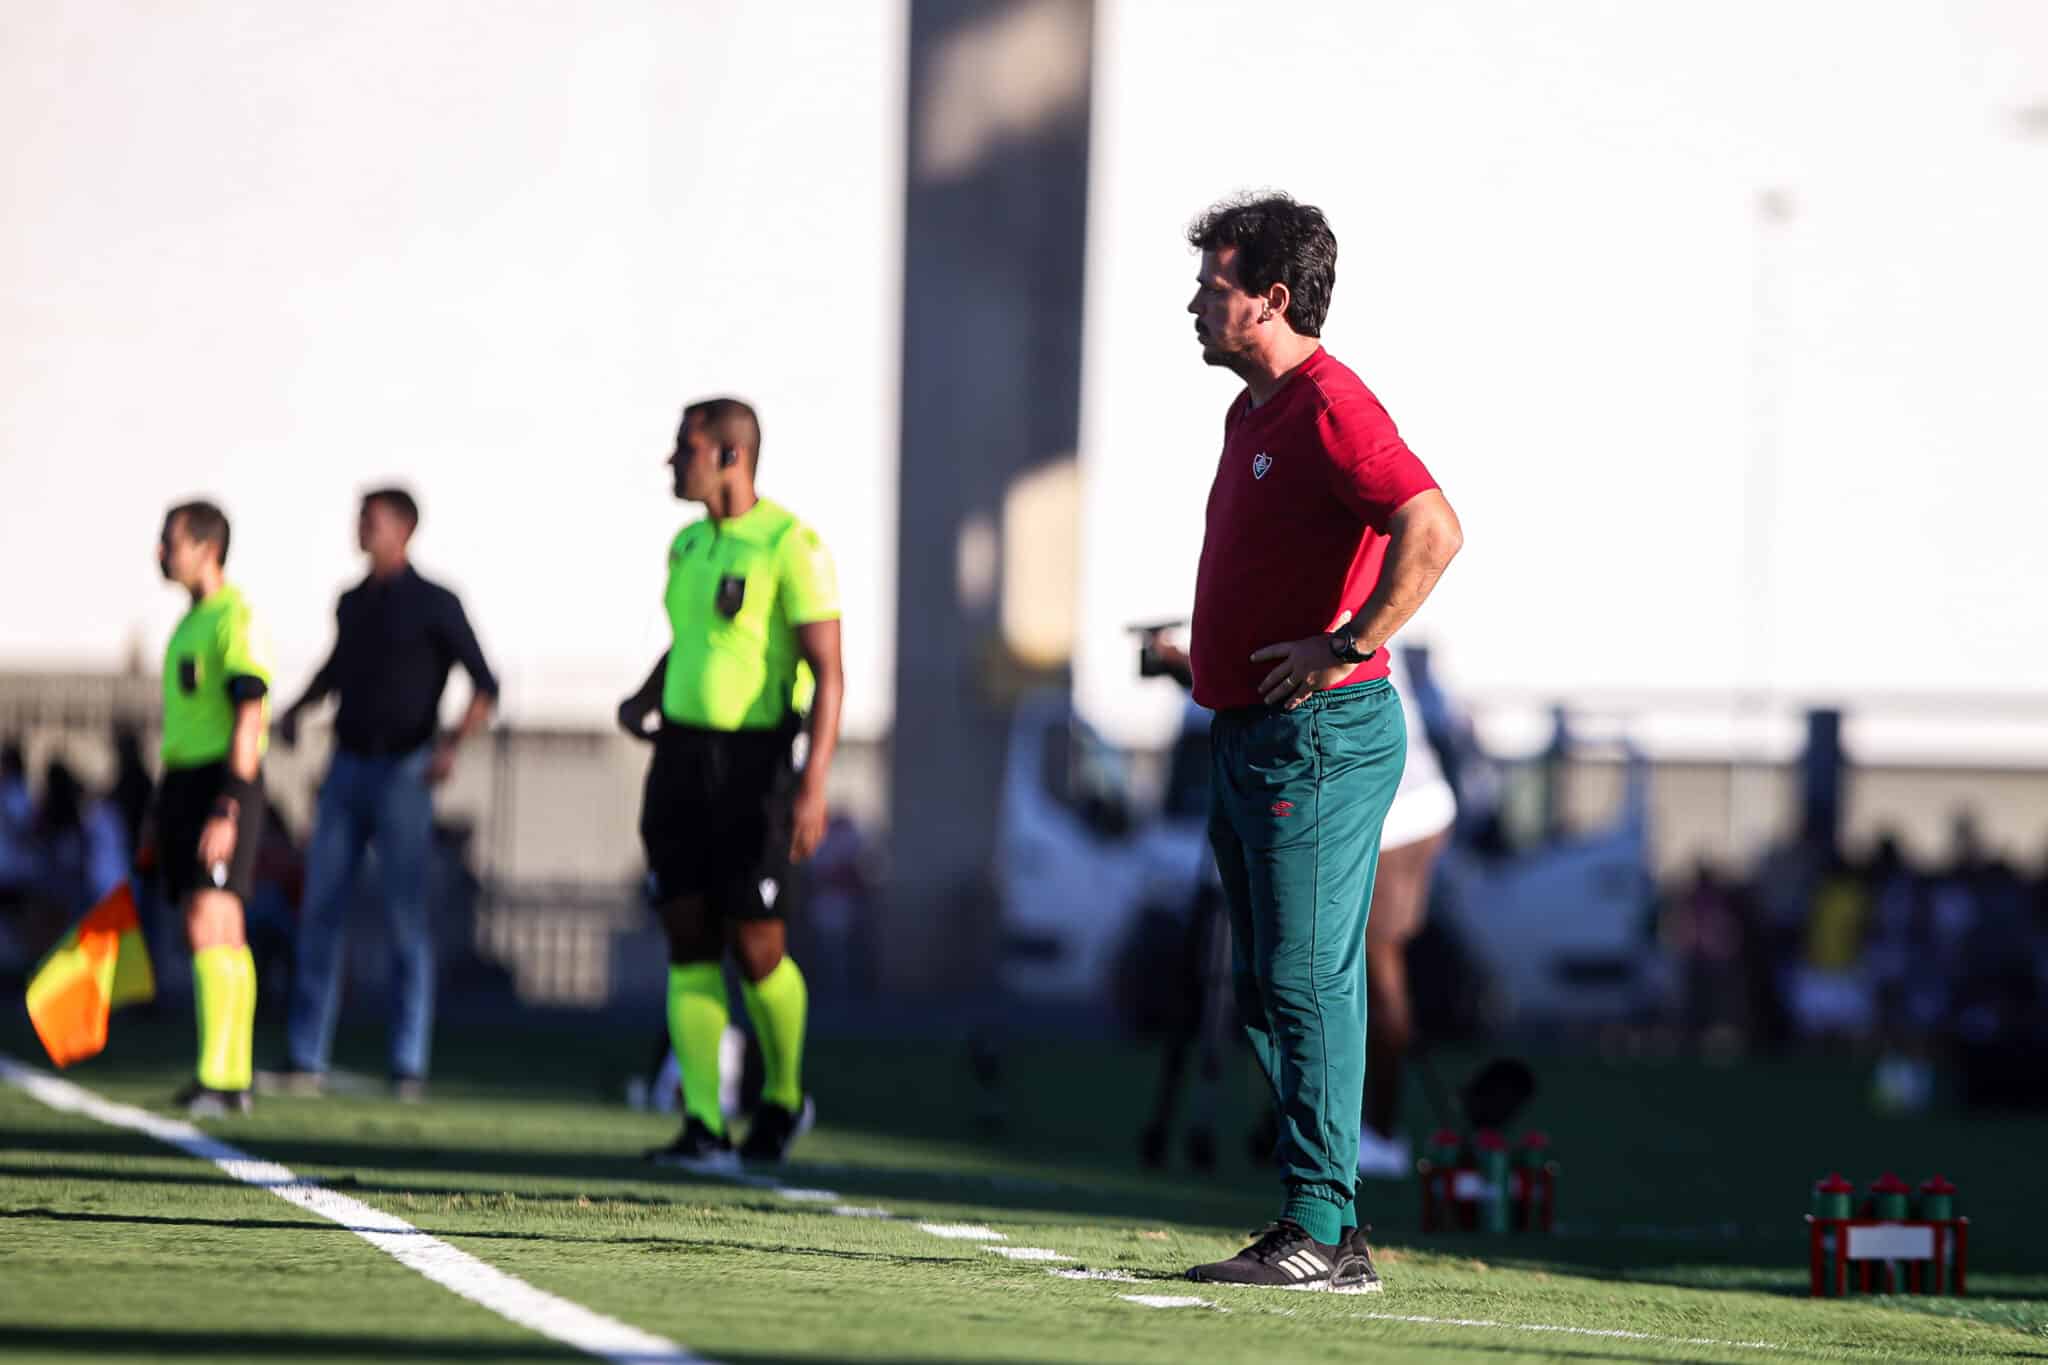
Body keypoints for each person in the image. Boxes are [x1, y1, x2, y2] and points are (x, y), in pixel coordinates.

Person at [1179, 193, 1463, 1291]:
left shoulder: (1329, 404)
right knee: (1264, 984)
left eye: (1214, 286)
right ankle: (1322, 1221)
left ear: (1271, 299)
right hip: (1246, 732)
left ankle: (1322, 1225)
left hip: (1316, 737)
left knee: (1303, 978)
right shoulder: (1250, 413)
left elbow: (1431, 529)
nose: (1196, 303)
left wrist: (1347, 644)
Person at [618, 397, 843, 1168]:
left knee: (756, 946)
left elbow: (830, 673)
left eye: (684, 447)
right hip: (678, 761)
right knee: (687, 938)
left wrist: (812, 783)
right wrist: (647, 698)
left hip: (756, 771)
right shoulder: (685, 545)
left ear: (727, 455)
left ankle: (783, 1099)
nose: (671, 461)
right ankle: (704, 1123)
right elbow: (693, 645)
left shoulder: (791, 543)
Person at [276, 487, 498, 1099]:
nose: (360, 527)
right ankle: (305, 1057)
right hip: (346, 770)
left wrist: (451, 745)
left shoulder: (435, 602)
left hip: (405, 773)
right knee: (319, 911)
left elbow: (485, 683)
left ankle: (408, 1065)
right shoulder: (351, 603)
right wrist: (295, 709)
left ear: (403, 529)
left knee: (406, 922)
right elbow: (333, 670)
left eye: (371, 519)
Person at [150, 500, 274, 1116]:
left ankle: (220, 1076)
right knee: (217, 924)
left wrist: (229, 801)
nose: (161, 552)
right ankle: (229, 1078)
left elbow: (250, 707)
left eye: (171, 540)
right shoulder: (189, 622)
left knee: (212, 920)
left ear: (206, 547)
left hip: (221, 784)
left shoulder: (232, 614)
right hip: (187, 784)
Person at [1355, 644, 1458, 1179]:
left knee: (1382, 973)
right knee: (1376, 972)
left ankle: (1383, 1135)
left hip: (1399, 817)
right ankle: (1372, 1128)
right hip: (1417, 808)